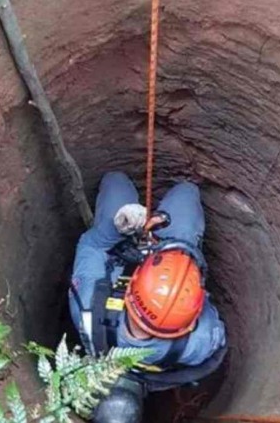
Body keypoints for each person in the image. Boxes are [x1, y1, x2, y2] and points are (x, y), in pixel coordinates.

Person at [69, 172, 227, 423]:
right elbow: (213, 324)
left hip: (120, 250)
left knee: (116, 181)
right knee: (186, 192)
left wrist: (117, 229)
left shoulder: (89, 309)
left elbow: (91, 246)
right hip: (176, 244)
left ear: (132, 290)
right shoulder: (200, 342)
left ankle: (121, 209)